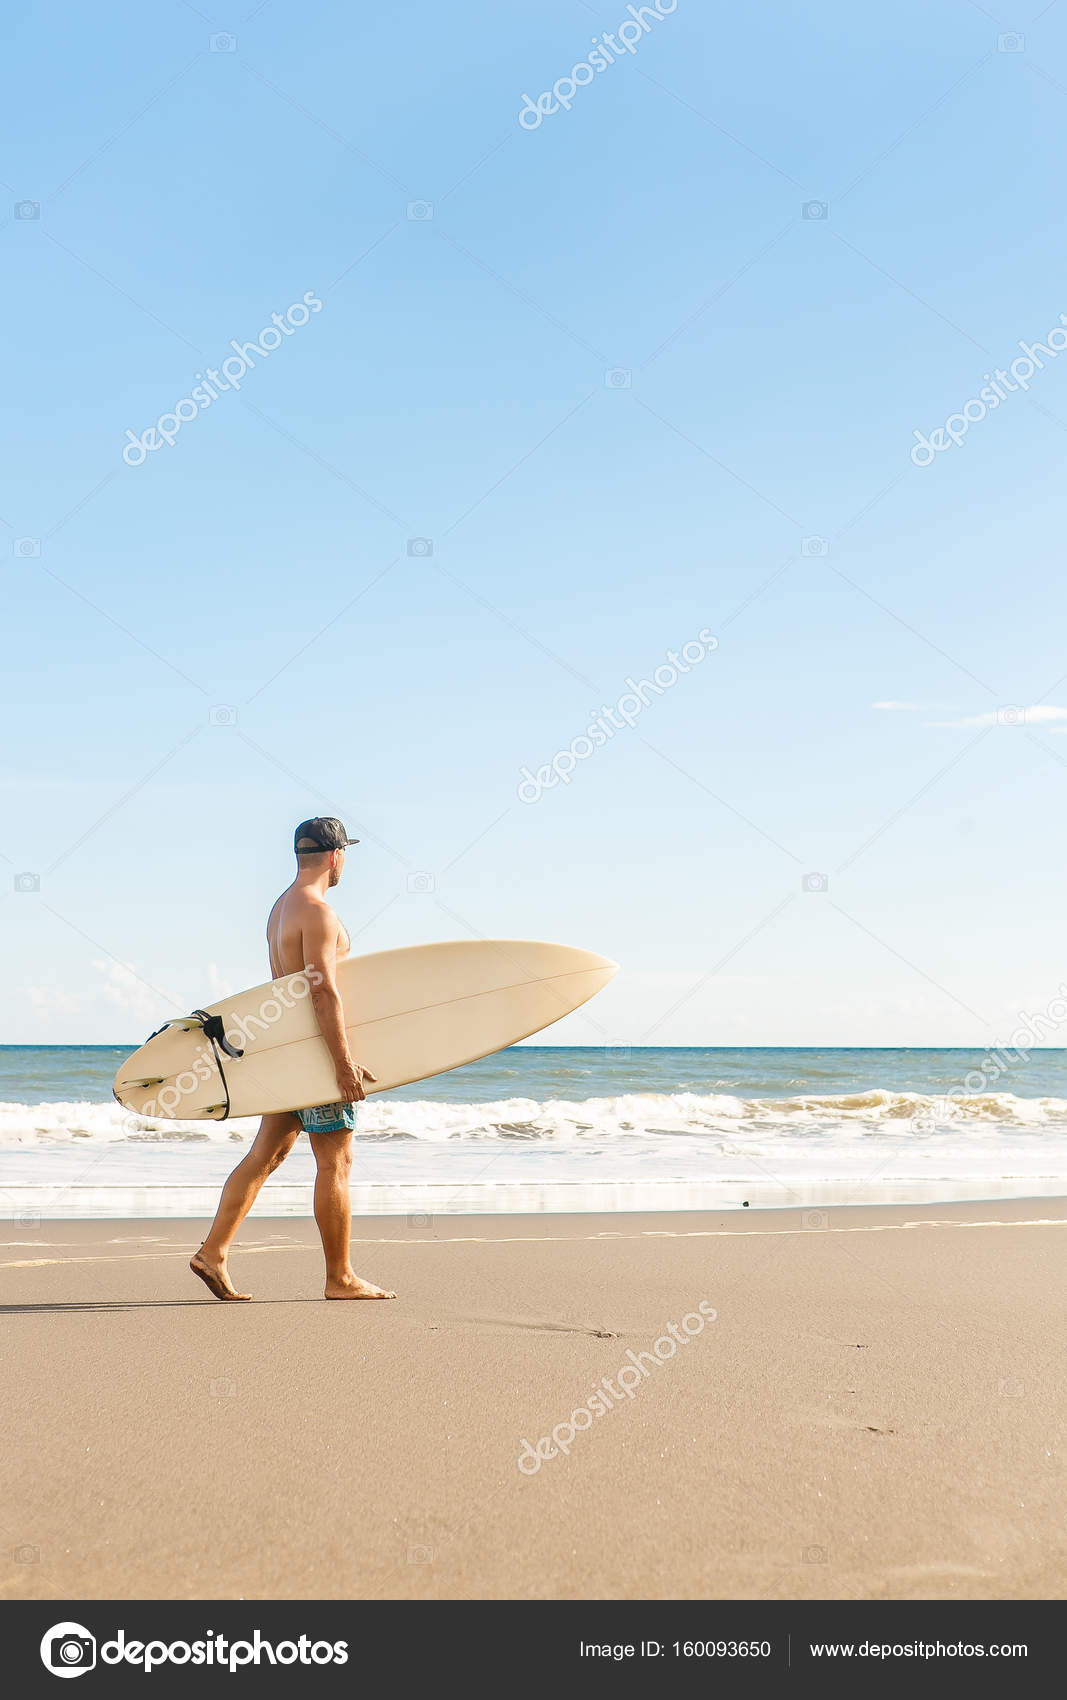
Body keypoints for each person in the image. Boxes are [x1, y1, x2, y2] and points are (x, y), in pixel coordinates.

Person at [190, 817, 396, 1302]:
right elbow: (322, 992)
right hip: (316, 1058)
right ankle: (339, 1278)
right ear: (335, 855)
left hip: (288, 1052)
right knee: (336, 1162)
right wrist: (342, 1065)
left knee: (268, 1154)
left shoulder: (281, 907)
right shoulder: (319, 912)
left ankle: (213, 1253)